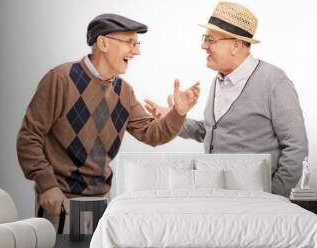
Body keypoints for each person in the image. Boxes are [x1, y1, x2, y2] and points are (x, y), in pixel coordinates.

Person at [17, 13, 199, 232]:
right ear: (103, 43)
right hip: (59, 200)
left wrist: (178, 113)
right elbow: (29, 137)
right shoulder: (60, 79)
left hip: (102, 201)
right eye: (130, 43)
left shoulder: (124, 92)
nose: (137, 51)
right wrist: (47, 185)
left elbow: (152, 134)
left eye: (137, 43)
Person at [144, 2, 308, 197]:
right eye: (205, 38)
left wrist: (274, 196)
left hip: (256, 201)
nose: (203, 45)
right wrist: (173, 117)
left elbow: (297, 148)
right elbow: (210, 131)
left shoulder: (274, 81)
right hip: (217, 195)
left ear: (235, 45)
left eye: (210, 39)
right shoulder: (219, 81)